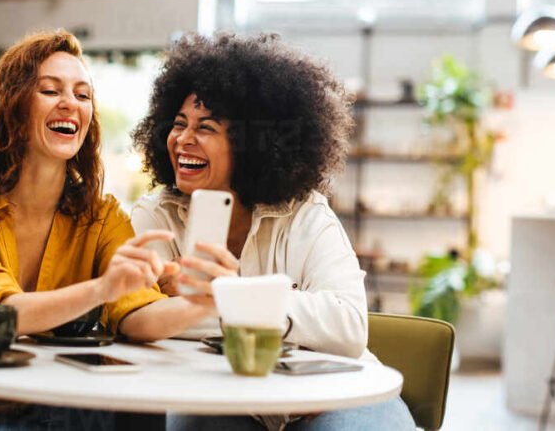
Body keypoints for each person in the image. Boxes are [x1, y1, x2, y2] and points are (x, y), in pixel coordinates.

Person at [0, 30, 212, 430]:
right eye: (50, 90)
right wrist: (102, 288)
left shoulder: (102, 216)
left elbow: (138, 316)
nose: (70, 104)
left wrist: (204, 302)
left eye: (82, 95)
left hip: (55, 408)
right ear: (13, 107)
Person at [130, 32, 417, 430]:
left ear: (250, 143)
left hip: (330, 397)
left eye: (206, 127)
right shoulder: (156, 216)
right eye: (179, 124)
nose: (183, 140)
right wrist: (277, 314)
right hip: (224, 401)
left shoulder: (305, 215)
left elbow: (349, 327)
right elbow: (138, 318)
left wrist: (229, 298)